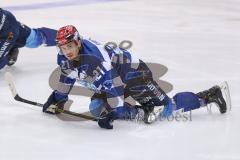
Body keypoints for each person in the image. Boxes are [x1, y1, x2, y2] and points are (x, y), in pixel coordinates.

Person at [42, 25, 229, 129]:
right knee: (97, 107)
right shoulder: (65, 56)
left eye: (69, 46)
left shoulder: (96, 62)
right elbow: (68, 77)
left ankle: (207, 96)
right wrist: (58, 98)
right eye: (63, 47)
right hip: (114, 77)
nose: (66, 52)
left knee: (165, 110)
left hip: (133, 74)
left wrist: (114, 112)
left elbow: (113, 89)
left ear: (78, 42)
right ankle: (141, 112)